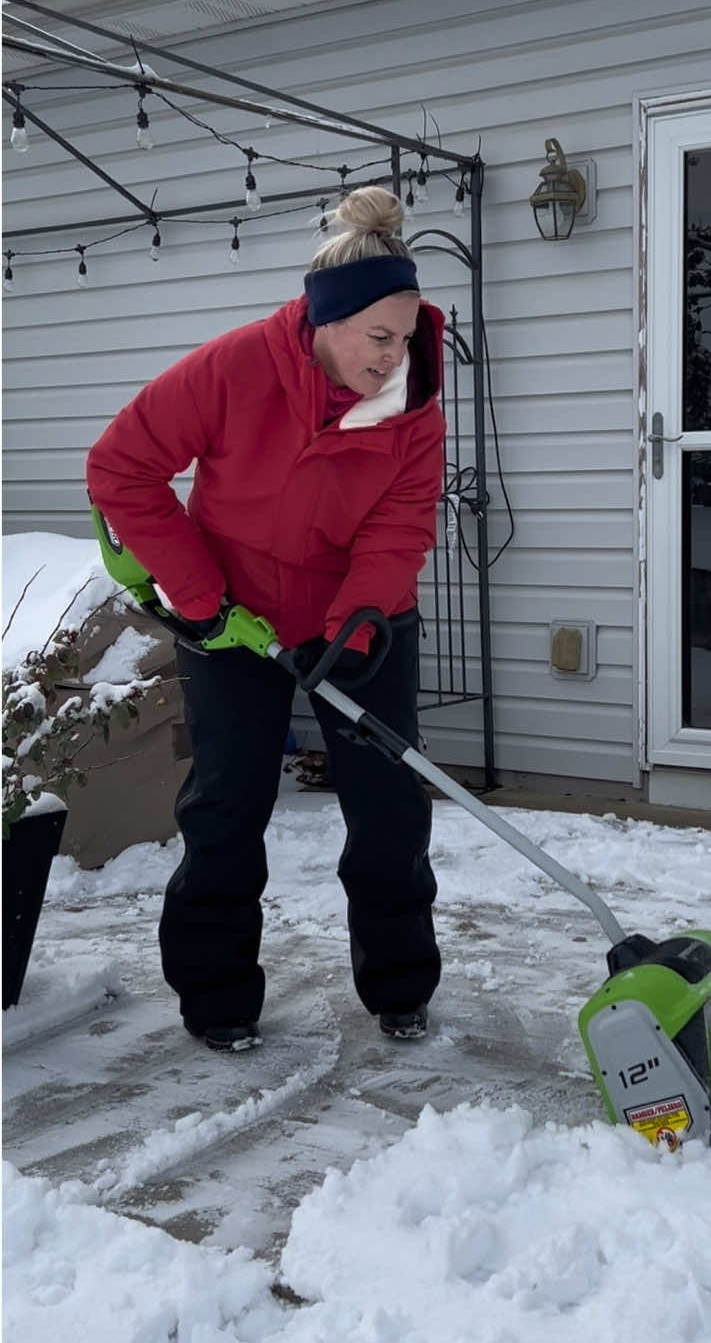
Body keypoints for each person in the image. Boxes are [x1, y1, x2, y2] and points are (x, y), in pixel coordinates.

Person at [86, 187, 446, 1051]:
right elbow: (121, 468)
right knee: (225, 805)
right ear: (328, 321)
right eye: (380, 338)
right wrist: (201, 600)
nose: (396, 357)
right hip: (234, 619)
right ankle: (217, 997)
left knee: (390, 807)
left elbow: (403, 520)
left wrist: (358, 623)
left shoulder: (412, 401)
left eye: (407, 337)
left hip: (360, 618)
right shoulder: (235, 368)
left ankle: (401, 983)